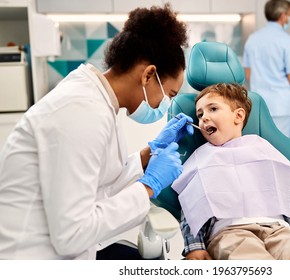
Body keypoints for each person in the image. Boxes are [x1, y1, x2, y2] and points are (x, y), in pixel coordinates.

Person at [0, 4, 194, 260]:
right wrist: (148, 187)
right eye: (169, 95)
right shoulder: (81, 112)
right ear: (148, 74)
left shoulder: (98, 100)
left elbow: (96, 184)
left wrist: (148, 155)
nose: (164, 105)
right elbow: (72, 234)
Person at [171, 83, 290, 260]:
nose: (204, 118)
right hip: (230, 232)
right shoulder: (202, 158)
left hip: (276, 228)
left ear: (239, 115)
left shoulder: (261, 148)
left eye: (213, 109)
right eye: (200, 114)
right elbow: (192, 206)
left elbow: (287, 191)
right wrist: (195, 247)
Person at [242, 0, 290, 138]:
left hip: (258, 105)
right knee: (280, 149)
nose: (289, 18)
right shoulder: (288, 42)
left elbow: (248, 74)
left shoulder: (252, 39)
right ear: (283, 16)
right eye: (289, 15)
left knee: (261, 147)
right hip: (281, 107)